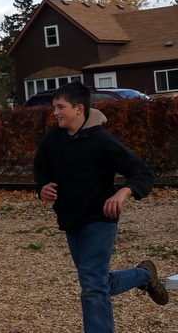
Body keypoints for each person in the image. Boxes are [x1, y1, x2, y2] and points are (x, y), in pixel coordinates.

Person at [34, 80, 169, 332]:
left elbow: (142, 172)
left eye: (60, 107)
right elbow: (41, 171)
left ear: (79, 109)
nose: (55, 113)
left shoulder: (102, 140)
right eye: (54, 107)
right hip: (70, 221)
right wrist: (42, 188)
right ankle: (144, 275)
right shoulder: (51, 141)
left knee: (93, 286)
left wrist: (123, 193)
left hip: (100, 219)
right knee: (95, 282)